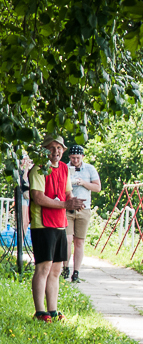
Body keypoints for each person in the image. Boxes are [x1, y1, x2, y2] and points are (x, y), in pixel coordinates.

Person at [29, 136, 83, 322]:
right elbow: (38, 198)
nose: (56, 151)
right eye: (52, 148)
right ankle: (40, 311)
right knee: (43, 267)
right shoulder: (38, 169)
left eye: (59, 148)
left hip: (60, 222)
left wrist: (74, 201)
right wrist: (66, 204)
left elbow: (67, 192)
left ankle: (52, 310)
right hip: (42, 223)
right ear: (44, 150)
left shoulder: (64, 169)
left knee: (56, 269)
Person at [62, 144, 101, 283]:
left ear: (82, 157)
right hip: (68, 207)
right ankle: (65, 267)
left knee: (80, 241)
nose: (75, 160)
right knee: (67, 240)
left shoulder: (90, 169)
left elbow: (97, 187)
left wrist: (83, 182)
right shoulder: (64, 167)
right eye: (73, 158)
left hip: (84, 209)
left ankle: (76, 271)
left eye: (78, 158)